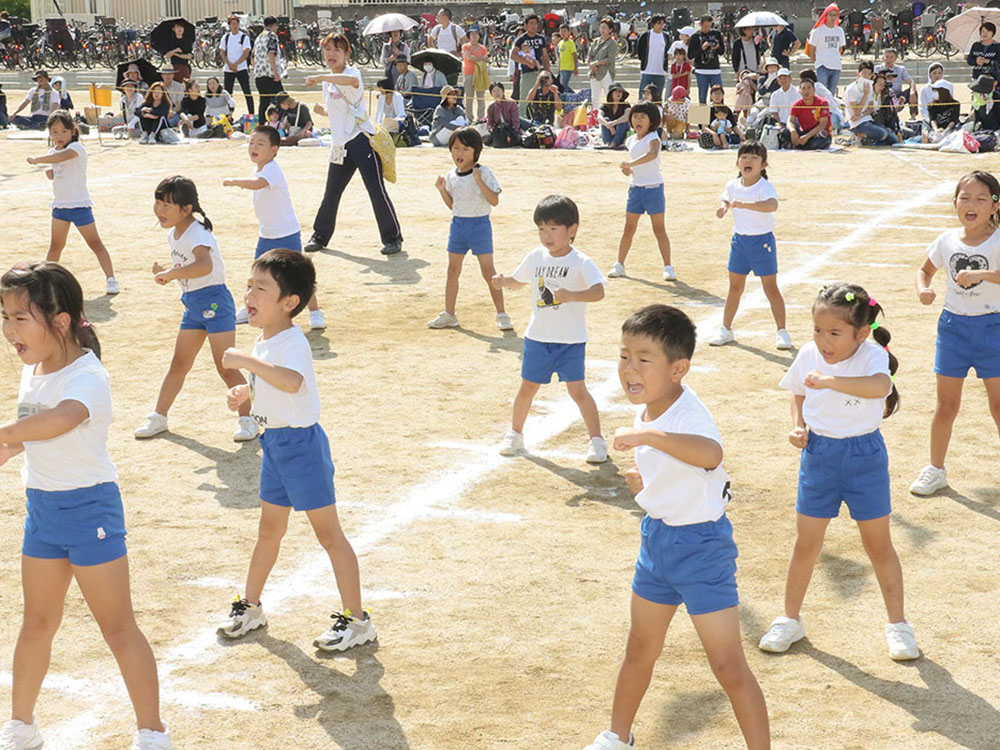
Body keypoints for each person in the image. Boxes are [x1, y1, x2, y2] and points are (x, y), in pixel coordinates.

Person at [0, 262, 173, 750]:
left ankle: (152, 732)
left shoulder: (89, 376)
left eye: (19, 317)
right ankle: (21, 726)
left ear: (59, 321)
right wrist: (10, 448)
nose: (8, 329)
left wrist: (6, 435)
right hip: (42, 510)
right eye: (5, 316)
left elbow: (65, 418)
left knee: (118, 627)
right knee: (36, 623)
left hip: (89, 511)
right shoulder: (33, 371)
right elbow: (36, 433)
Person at [584, 304, 770, 750]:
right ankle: (617, 736)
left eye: (643, 359)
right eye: (624, 355)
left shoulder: (688, 415)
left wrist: (646, 439)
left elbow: (709, 454)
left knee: (728, 666)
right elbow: (682, 473)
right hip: (658, 543)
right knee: (640, 648)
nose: (629, 368)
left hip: (701, 549)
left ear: (678, 369)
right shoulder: (649, 406)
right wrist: (646, 484)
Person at [216, 249, 376, 654]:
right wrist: (246, 396)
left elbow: (291, 382)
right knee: (269, 530)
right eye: (249, 285)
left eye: (261, 288)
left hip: (301, 448)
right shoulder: (265, 339)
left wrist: (247, 362)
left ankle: (357, 621)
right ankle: (250, 606)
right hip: (274, 446)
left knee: (329, 536)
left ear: (289, 303)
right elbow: (271, 390)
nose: (249, 295)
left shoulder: (291, 341)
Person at [760, 284, 920, 663]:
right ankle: (790, 619)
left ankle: (899, 625)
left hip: (864, 456)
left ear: (861, 333)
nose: (823, 341)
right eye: (818, 330)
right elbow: (797, 391)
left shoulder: (872, 355)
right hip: (819, 455)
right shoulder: (808, 353)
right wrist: (799, 426)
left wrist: (830, 380)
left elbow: (880, 386)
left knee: (878, 546)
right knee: (806, 544)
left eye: (834, 333)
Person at [134, 176, 256, 442]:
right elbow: (188, 268)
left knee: (225, 365)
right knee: (179, 363)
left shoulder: (198, 231)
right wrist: (167, 274)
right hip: (192, 304)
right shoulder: (173, 233)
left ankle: (248, 419)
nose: (160, 211)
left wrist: (171, 273)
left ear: (186, 209)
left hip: (214, 301)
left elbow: (204, 266)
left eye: (167, 205)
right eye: (157, 203)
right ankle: (159, 416)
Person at [491, 195, 608, 463]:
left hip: (571, 341)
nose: (546, 235)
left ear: (572, 230)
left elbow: (599, 291)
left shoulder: (581, 261)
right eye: (542, 229)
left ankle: (597, 441)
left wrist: (571, 296)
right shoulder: (535, 256)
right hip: (538, 338)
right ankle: (515, 434)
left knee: (578, 391)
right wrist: (503, 281)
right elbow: (519, 280)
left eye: (553, 228)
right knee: (527, 388)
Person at [911, 171, 1000, 496]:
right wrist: (924, 289)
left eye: (980, 198)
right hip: (953, 328)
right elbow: (925, 270)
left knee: (999, 405)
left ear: (995, 205)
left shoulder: (998, 240)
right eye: (965, 198)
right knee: (946, 405)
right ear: (954, 203)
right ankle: (936, 469)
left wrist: (980, 274)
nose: (971, 204)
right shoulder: (947, 240)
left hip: (993, 328)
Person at [304, 33, 403, 257]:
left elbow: (350, 83)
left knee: (375, 191)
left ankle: (393, 238)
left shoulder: (352, 73)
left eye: (337, 50)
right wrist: (324, 112)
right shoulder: (328, 82)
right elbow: (343, 110)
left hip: (361, 140)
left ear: (347, 54)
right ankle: (320, 235)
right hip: (340, 144)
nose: (331, 54)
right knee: (331, 192)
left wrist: (321, 77)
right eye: (327, 49)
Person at [222, 125, 326, 329]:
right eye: (252, 142)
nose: (254, 146)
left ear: (274, 149)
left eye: (260, 143)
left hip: (286, 233)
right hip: (266, 235)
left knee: (299, 277)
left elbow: (258, 183)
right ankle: (252, 308)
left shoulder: (271, 169)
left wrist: (235, 181)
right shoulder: (259, 167)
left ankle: (315, 312)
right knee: (256, 275)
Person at [23, 112, 118, 295]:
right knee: (55, 247)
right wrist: (51, 173)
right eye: (55, 131)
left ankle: (111, 278)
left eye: (64, 131)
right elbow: (58, 166)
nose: (59, 136)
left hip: (79, 206)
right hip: (59, 207)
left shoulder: (77, 148)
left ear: (73, 131)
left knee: (95, 244)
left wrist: (37, 160)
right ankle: (46, 283)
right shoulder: (54, 151)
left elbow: (62, 158)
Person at [428, 127, 511, 332]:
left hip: (480, 225)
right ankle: (449, 314)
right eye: (455, 148)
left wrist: (479, 181)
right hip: (458, 226)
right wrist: (441, 190)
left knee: (488, 271)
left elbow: (494, 200)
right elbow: (453, 205)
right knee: (452, 270)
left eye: (465, 148)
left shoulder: (484, 172)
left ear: (476, 151)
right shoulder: (451, 176)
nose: (459, 153)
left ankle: (502, 313)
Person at [709, 142, 790, 349]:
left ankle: (782, 331)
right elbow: (725, 200)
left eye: (754, 158)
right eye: (744, 157)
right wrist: (723, 208)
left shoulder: (764, 186)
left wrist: (746, 205)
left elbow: (772, 205)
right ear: (737, 162)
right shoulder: (732, 185)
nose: (748, 161)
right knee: (734, 288)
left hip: (761, 242)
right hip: (739, 242)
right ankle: (726, 329)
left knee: (770, 288)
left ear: (763, 165)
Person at [607, 102, 673, 282]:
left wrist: (630, 165)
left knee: (659, 229)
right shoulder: (630, 140)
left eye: (643, 117)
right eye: (635, 116)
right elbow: (633, 166)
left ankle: (668, 267)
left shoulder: (653, 137)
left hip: (653, 188)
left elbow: (652, 154)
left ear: (651, 121)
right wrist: (627, 170)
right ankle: (619, 264)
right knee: (628, 228)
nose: (638, 120)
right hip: (636, 188)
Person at [845, 61, 897, 146]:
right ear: (858, 73)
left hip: (868, 119)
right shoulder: (851, 89)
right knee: (882, 134)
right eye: (864, 73)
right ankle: (859, 136)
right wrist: (865, 94)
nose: (866, 76)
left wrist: (862, 115)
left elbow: (870, 108)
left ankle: (867, 140)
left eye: (869, 74)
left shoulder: (869, 87)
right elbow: (856, 111)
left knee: (893, 139)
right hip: (857, 124)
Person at [513, 15, 549, 117]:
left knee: (541, 96)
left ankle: (541, 118)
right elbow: (513, 55)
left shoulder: (541, 38)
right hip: (527, 72)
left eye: (536, 23)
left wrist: (547, 71)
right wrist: (526, 62)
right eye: (531, 23)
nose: (534, 26)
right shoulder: (521, 39)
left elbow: (545, 57)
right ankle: (522, 119)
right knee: (525, 98)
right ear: (526, 25)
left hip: (539, 72)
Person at [807, 6, 845, 94]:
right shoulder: (818, 31)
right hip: (822, 65)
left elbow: (841, 48)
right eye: (830, 15)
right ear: (826, 16)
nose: (833, 17)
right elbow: (811, 49)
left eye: (835, 15)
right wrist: (816, 62)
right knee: (822, 91)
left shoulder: (840, 31)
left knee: (831, 92)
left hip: (836, 66)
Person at [220, 16, 254, 115]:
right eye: (232, 24)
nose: (234, 26)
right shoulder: (225, 37)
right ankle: (228, 114)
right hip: (228, 69)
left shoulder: (244, 37)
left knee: (247, 92)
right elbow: (222, 52)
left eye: (236, 24)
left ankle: (251, 113)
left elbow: (246, 52)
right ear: (229, 25)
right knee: (228, 94)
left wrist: (236, 64)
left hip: (241, 68)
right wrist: (230, 64)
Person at [688, 15, 725, 104]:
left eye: (710, 26)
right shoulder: (695, 36)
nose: (707, 29)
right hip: (701, 70)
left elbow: (722, 52)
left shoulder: (716, 34)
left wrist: (717, 47)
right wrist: (702, 48)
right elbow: (690, 55)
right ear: (700, 24)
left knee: (718, 95)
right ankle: (702, 117)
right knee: (702, 96)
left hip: (715, 69)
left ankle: (718, 115)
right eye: (705, 26)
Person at [253, 16, 284, 118]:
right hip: (270, 74)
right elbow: (271, 54)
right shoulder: (272, 36)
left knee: (264, 102)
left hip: (259, 75)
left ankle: (262, 124)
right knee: (281, 100)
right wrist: (276, 74)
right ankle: (280, 124)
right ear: (274, 25)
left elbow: (252, 57)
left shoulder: (258, 38)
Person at [787, 78, 831, 150]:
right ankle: (799, 144)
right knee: (785, 132)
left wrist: (807, 137)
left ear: (814, 90)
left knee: (819, 139)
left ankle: (797, 145)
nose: (806, 91)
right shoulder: (797, 104)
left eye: (809, 88)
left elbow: (822, 125)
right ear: (800, 91)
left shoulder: (822, 103)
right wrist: (792, 130)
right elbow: (790, 120)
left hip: (818, 133)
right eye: (803, 88)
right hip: (804, 131)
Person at [874, 48, 916, 115]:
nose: (889, 59)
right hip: (882, 95)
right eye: (887, 57)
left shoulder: (901, 69)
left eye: (891, 57)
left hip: (898, 95)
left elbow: (911, 81)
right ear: (883, 58)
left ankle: (913, 117)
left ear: (895, 58)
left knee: (913, 92)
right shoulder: (877, 69)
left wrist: (912, 92)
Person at [461, 25, 489, 121]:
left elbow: (486, 59)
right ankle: (469, 118)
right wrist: (481, 58)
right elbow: (469, 57)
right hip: (469, 73)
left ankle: (481, 117)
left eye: (476, 34)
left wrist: (478, 58)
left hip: (480, 74)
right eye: (472, 34)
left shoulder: (482, 47)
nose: (474, 36)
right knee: (469, 97)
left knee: (481, 98)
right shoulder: (466, 46)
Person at [589, 17, 618, 108]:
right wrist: (591, 64)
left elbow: (610, 59)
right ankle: (596, 115)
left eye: (605, 28)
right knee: (595, 97)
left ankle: (611, 114)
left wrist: (597, 63)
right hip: (594, 72)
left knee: (609, 95)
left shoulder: (612, 43)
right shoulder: (596, 42)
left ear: (610, 30)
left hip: (606, 72)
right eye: (601, 27)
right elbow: (590, 55)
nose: (602, 30)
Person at [637, 14, 670, 95]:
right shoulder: (646, 36)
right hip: (647, 70)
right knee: (643, 94)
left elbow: (668, 51)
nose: (661, 26)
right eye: (658, 23)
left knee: (658, 95)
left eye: (663, 24)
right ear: (653, 24)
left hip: (660, 71)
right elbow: (640, 50)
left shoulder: (666, 37)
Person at [485, 82, 522, 146]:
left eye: (499, 90)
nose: (497, 93)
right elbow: (489, 123)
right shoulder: (491, 107)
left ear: (503, 92)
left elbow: (515, 121)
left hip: (511, 128)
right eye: (494, 91)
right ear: (491, 94)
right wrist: (492, 130)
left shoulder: (511, 103)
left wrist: (515, 131)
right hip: (499, 130)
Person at [598, 82, 631, 148]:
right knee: (606, 119)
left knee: (622, 122)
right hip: (609, 133)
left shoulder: (626, 105)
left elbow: (627, 116)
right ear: (611, 93)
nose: (618, 93)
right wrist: (608, 125)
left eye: (620, 91)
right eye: (616, 91)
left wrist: (614, 123)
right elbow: (599, 117)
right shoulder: (605, 105)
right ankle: (608, 143)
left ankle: (614, 143)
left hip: (621, 133)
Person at [919, 63, 952, 127]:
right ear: (930, 75)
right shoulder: (924, 89)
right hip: (929, 120)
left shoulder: (949, 86)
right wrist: (930, 120)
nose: (937, 76)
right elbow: (923, 108)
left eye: (940, 73)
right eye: (934, 73)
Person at [556, 24, 578, 93]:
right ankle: (575, 96)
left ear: (569, 32)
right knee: (563, 85)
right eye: (561, 31)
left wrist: (575, 68)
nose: (563, 33)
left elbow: (574, 55)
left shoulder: (571, 43)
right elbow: (560, 57)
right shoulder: (560, 43)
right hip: (562, 67)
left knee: (563, 85)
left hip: (569, 67)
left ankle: (566, 99)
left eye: (565, 31)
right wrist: (559, 68)